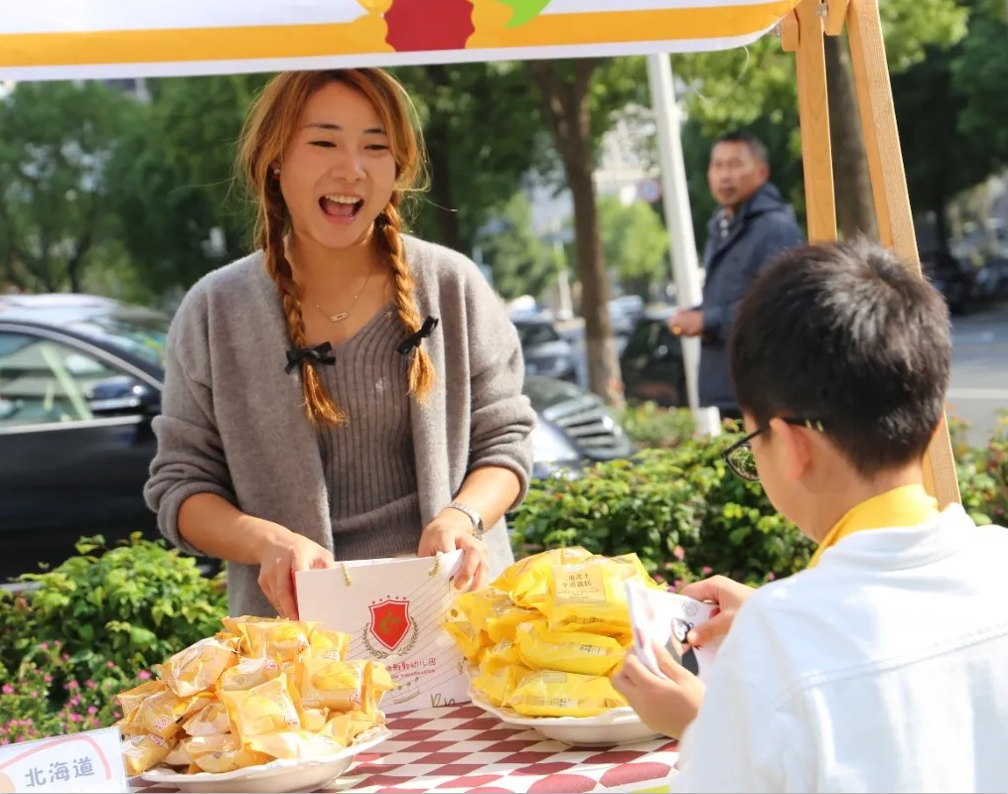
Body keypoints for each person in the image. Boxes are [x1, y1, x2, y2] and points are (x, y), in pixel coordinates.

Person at [615, 239, 1008, 792]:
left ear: (792, 445)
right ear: (935, 425)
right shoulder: (999, 561)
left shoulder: (778, 644)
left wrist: (704, 725)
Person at [143, 68, 536, 620]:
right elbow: (181, 488)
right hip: (296, 647)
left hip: (458, 630)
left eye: (375, 147)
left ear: (397, 167)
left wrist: (461, 518)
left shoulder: (452, 284)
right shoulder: (216, 309)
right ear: (275, 158)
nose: (351, 169)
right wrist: (267, 543)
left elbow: (506, 441)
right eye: (324, 141)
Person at [668, 131, 803, 420]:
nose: (724, 176)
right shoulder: (722, 228)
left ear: (762, 172)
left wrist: (707, 320)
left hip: (765, 390)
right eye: (717, 166)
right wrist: (696, 317)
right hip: (733, 387)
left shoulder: (775, 228)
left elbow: (773, 309)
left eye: (734, 165)